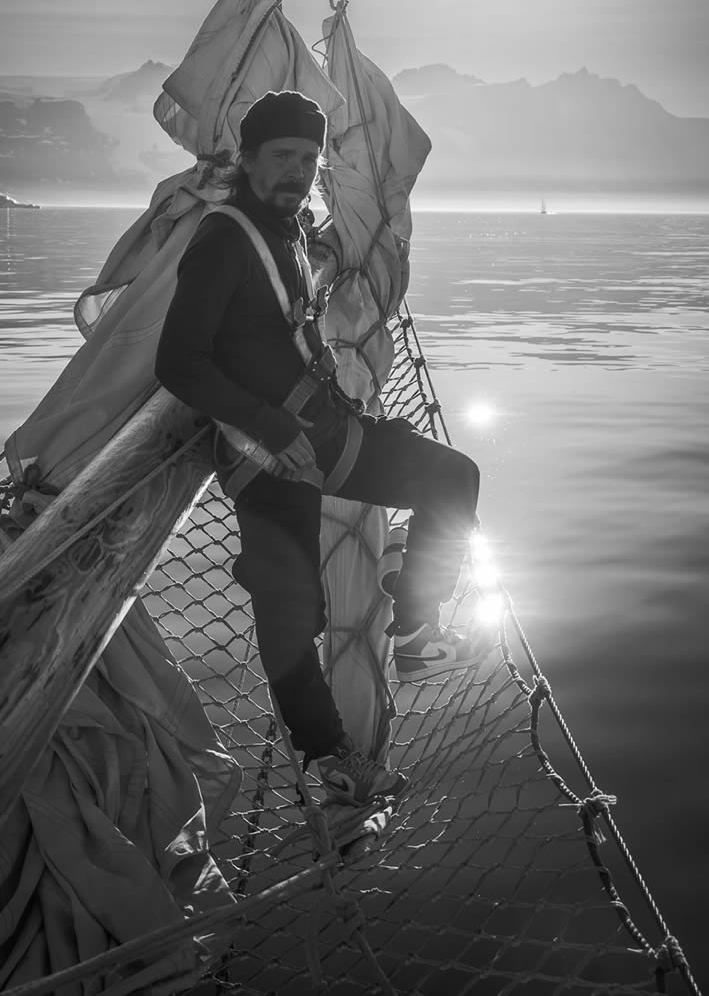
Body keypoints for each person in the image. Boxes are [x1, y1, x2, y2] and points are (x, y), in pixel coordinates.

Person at [156, 91, 482, 807]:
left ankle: (416, 628)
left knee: (453, 479)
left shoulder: (290, 231)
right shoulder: (224, 241)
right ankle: (334, 758)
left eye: (309, 159)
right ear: (248, 159)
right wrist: (268, 429)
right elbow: (178, 363)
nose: (299, 172)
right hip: (264, 455)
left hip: (326, 432)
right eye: (283, 158)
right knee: (292, 611)